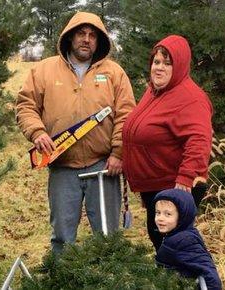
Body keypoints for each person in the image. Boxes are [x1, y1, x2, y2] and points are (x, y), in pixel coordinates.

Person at [15, 11, 135, 254]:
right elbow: (25, 105)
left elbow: (127, 115)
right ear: (70, 37)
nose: (86, 39)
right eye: (81, 33)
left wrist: (118, 153)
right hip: (62, 166)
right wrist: (37, 133)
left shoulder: (114, 73)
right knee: (62, 237)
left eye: (92, 35)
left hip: (103, 166)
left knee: (107, 237)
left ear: (99, 41)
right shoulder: (44, 71)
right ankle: (62, 279)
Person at [122, 34, 214, 251]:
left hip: (174, 186)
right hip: (157, 185)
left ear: (180, 66)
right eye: (156, 62)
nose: (159, 68)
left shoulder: (191, 98)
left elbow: (200, 140)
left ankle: (194, 283)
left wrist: (185, 177)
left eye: (167, 63)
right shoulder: (156, 91)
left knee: (174, 245)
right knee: (161, 241)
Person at [154, 189, 222, 290]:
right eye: (158, 213)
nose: (160, 218)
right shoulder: (176, 235)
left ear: (182, 216)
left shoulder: (184, 241)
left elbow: (208, 272)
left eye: (168, 214)